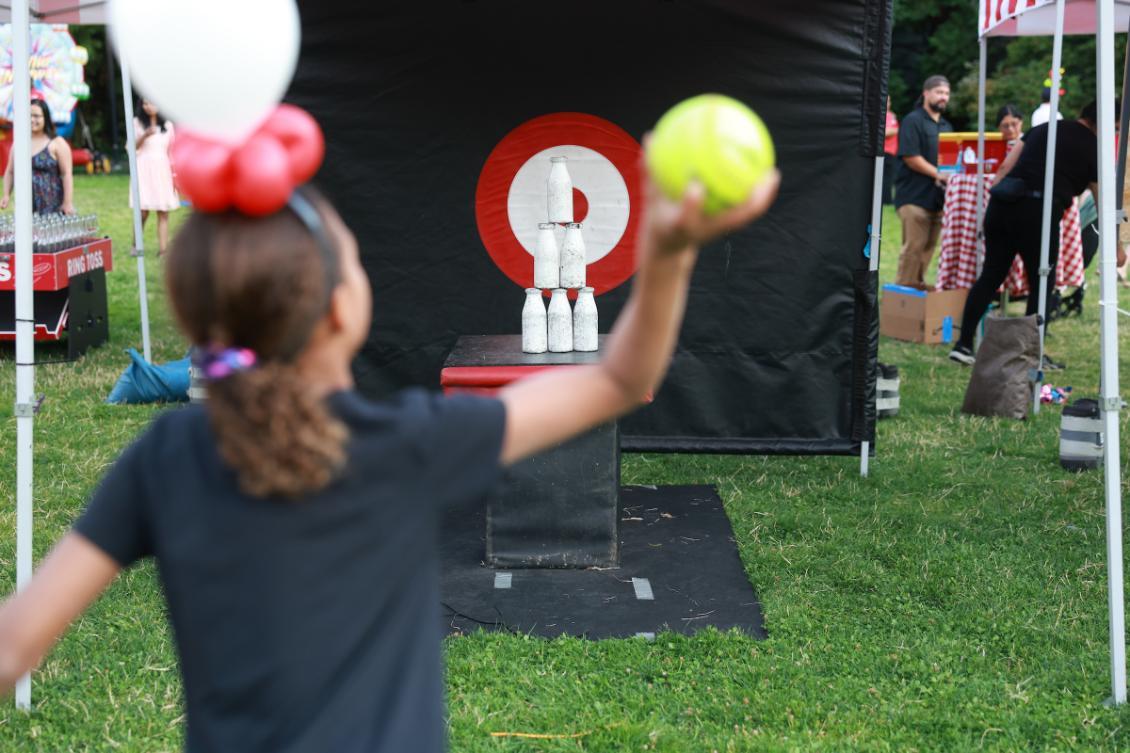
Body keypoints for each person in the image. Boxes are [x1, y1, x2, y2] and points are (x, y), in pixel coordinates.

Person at [0, 134, 780, 750]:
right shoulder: (405, 443)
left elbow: (13, 647)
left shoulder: (165, 460)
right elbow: (617, 380)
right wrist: (671, 250)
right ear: (344, 310)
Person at [949, 101, 1118, 367]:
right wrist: (1115, 242)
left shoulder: (1044, 128)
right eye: (1115, 129)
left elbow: (1005, 168)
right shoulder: (1095, 149)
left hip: (1003, 204)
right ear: (1106, 124)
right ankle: (1030, 354)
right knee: (1042, 283)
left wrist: (992, 205)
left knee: (991, 274)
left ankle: (964, 344)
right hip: (1038, 211)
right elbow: (1101, 202)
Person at [894, 75, 954, 288]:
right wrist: (938, 174)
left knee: (928, 247)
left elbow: (951, 162)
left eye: (946, 93)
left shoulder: (947, 127)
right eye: (939, 92)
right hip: (913, 196)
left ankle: (916, 288)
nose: (943, 97)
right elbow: (911, 157)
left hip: (937, 200)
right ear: (926, 93)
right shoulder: (913, 120)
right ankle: (902, 293)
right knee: (914, 246)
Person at [0, 98, 74, 215]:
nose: (32, 119)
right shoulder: (19, 143)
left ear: (46, 118)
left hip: (52, 204)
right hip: (24, 205)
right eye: (29, 115)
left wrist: (67, 202)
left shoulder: (57, 143)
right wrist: (6, 195)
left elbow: (66, 174)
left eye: (36, 116)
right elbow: (10, 172)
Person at [132, 97, 180, 256]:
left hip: (162, 168)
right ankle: (136, 244)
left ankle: (163, 250)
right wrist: (145, 135)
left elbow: (172, 151)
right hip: (144, 167)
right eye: (144, 103)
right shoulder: (137, 123)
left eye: (150, 102)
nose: (147, 106)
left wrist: (174, 174)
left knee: (163, 210)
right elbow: (131, 147)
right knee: (143, 210)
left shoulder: (168, 126)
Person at [882, 96, 899, 204]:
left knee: (887, 178)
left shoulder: (890, 115)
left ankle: (886, 200)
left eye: (889, 101)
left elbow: (892, 131)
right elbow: (891, 131)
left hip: (889, 151)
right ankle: (886, 201)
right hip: (885, 151)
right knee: (886, 178)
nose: (888, 103)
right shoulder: (888, 116)